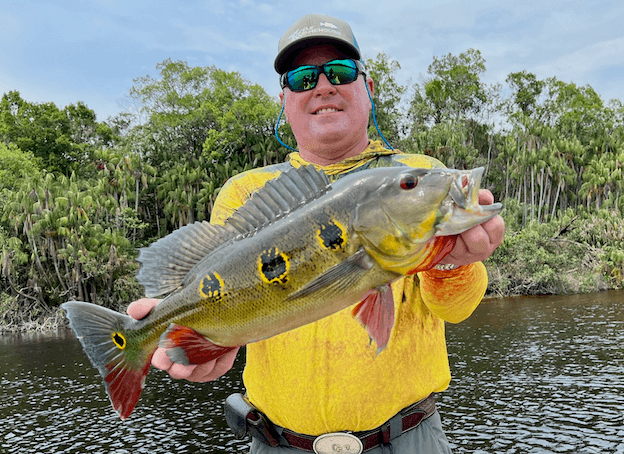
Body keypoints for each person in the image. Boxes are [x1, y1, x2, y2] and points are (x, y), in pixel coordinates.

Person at [128, 13, 505, 453]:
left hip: (408, 438)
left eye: (341, 71)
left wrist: (450, 264)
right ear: (285, 100)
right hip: (277, 443)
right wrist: (212, 344)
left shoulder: (422, 175)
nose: (323, 86)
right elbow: (231, 302)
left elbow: (457, 309)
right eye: (304, 77)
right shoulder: (244, 192)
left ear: (367, 87)